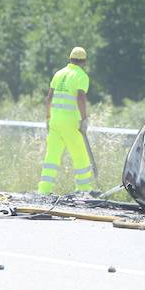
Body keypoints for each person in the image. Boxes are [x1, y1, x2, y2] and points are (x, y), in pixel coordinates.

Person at [38, 47, 95, 194]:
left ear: (70, 59)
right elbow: (80, 97)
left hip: (55, 122)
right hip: (70, 122)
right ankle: (84, 189)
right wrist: (84, 119)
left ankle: (44, 190)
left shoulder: (59, 74)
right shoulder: (81, 76)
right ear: (84, 62)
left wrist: (47, 117)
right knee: (80, 155)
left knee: (51, 156)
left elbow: (49, 98)